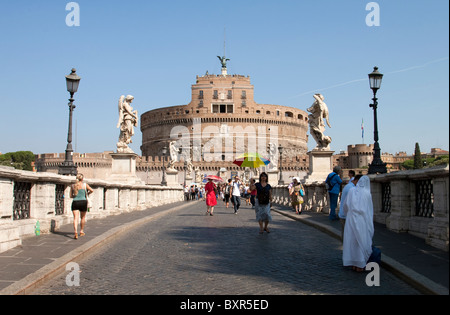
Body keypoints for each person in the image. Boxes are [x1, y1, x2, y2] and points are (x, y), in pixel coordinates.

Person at [342, 175, 374, 272]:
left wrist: (349, 213)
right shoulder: (367, 193)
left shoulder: (351, 191)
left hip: (351, 218)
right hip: (362, 219)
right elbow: (369, 209)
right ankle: (360, 263)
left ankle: (352, 262)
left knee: (351, 240)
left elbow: (345, 205)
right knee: (361, 240)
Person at [70, 174, 93, 239]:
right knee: (82, 218)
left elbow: (71, 196)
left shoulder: (72, 186)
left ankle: (75, 232)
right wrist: (87, 194)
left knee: (75, 218)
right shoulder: (84, 185)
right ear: (82, 179)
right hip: (83, 202)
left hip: (75, 202)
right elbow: (92, 190)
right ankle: (81, 231)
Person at [339, 173, 360, 242]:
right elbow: (348, 204)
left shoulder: (348, 186)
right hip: (346, 216)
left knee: (345, 235)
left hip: (343, 214)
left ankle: (345, 251)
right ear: (356, 180)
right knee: (349, 237)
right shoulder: (352, 189)